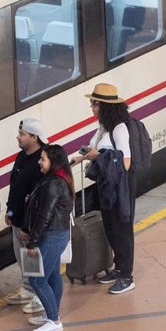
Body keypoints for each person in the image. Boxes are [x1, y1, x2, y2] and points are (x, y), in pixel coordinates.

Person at [70, 83, 136, 294]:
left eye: (94, 103)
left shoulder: (120, 128)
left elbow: (125, 161)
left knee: (122, 228)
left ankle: (126, 275)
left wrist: (97, 156)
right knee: (110, 225)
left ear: (105, 106)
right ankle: (118, 268)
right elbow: (101, 151)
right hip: (107, 184)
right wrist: (82, 157)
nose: (92, 107)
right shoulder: (104, 127)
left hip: (120, 187)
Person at [23, 145, 74, 331]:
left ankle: (53, 319)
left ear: (54, 161)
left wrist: (32, 241)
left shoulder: (54, 183)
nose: (39, 162)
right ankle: (51, 313)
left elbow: (45, 214)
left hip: (51, 235)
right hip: (57, 234)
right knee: (52, 276)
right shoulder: (60, 179)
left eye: (42, 159)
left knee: (37, 279)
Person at [5, 118, 48, 315]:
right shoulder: (21, 157)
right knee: (21, 257)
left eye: (22, 134)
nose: (18, 137)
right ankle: (29, 289)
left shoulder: (42, 160)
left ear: (34, 137)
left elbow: (38, 199)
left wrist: (27, 227)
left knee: (35, 259)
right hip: (17, 218)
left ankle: (40, 294)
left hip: (29, 223)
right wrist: (10, 211)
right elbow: (15, 186)